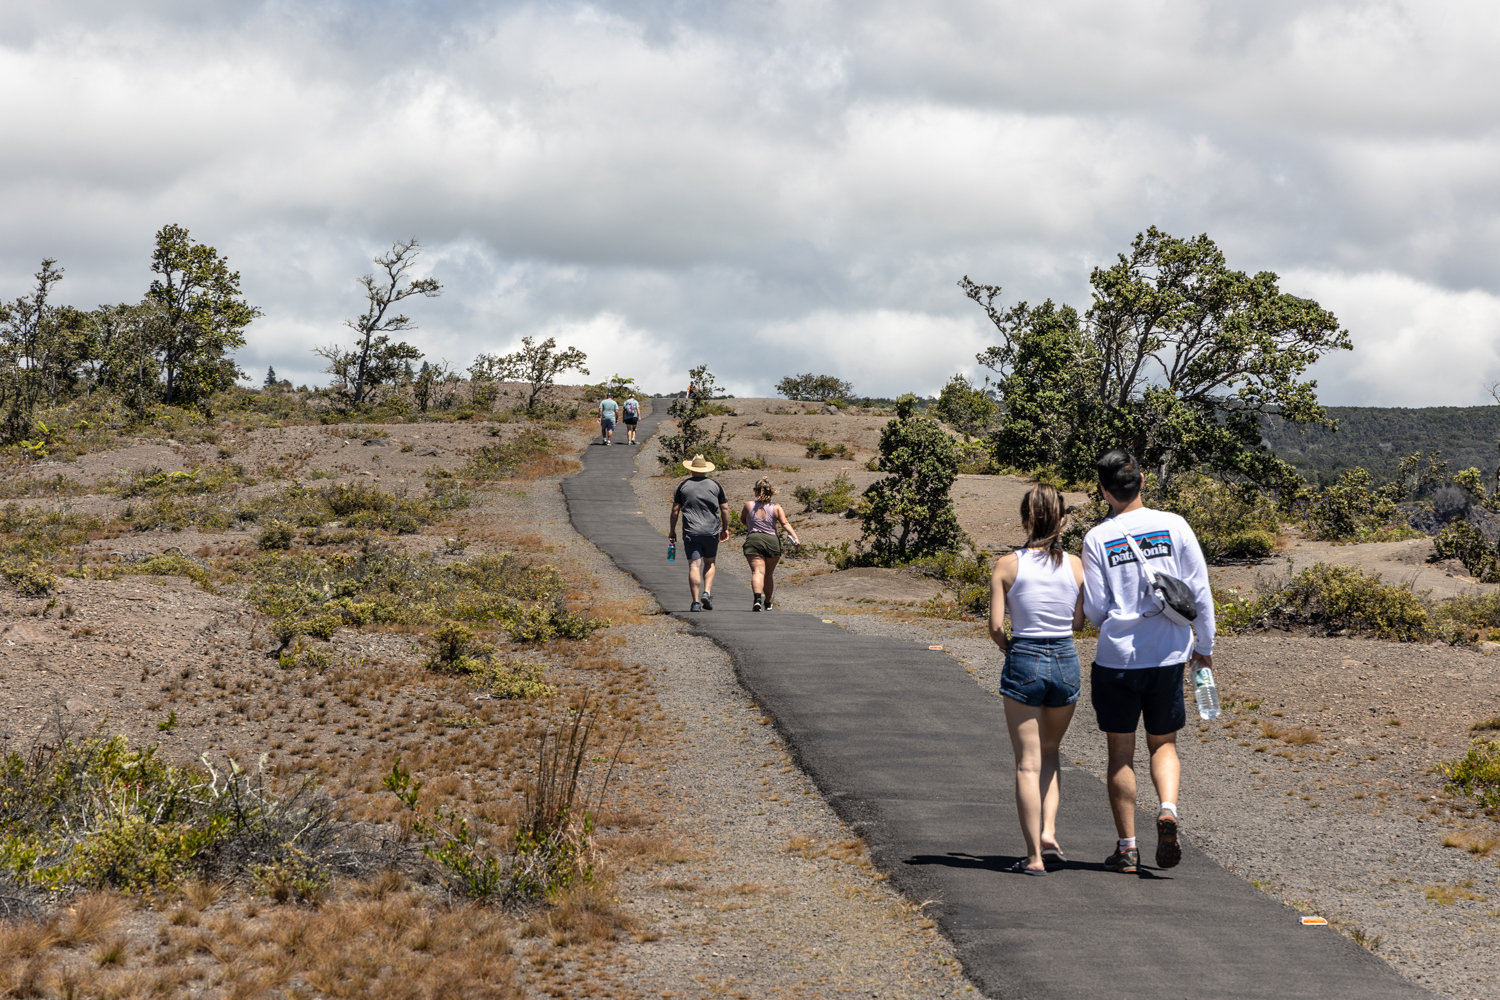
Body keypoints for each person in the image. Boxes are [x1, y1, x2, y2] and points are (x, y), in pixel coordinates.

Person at [1082, 450, 1216, 874]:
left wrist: (1118, 620)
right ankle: (1169, 809)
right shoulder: (1175, 525)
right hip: (1168, 656)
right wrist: (1205, 645)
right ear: (1142, 482)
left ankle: (1127, 848)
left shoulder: (1097, 538)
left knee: (1121, 753)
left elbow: (1097, 610)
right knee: (1164, 743)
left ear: (1104, 491)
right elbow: (1199, 590)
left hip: (1117, 658)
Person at [989, 483, 1085, 876]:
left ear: (1026, 518)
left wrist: (1011, 648)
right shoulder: (1077, 565)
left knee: (1027, 764)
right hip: (1064, 657)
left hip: (1025, 656)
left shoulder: (1007, 565)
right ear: (1061, 520)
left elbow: (996, 627)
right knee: (1050, 752)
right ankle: (1049, 830)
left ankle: (1033, 858)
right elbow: (1079, 622)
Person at [668, 454, 730, 612]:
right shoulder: (715, 485)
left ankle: (695, 602)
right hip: (711, 531)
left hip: (691, 532)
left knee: (694, 565)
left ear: (691, 468)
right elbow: (725, 508)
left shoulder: (683, 486)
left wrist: (672, 530)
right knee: (710, 563)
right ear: (705, 469)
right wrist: (725, 528)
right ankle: (707, 593)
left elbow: (675, 510)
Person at [740, 478, 800, 612]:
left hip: (754, 540)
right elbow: (785, 524)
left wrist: (752, 526)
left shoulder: (748, 505)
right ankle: (767, 602)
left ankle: (757, 599)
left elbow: (743, 520)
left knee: (757, 572)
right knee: (768, 574)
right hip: (772, 540)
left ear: (757, 491)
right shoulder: (776, 508)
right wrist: (795, 538)